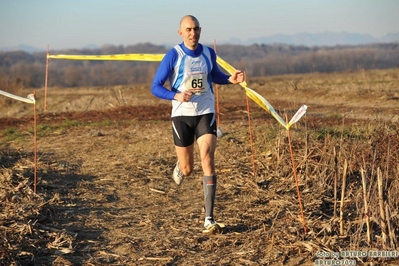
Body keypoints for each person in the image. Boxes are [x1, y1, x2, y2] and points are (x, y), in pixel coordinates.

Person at [151, 15, 245, 232]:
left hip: (205, 111)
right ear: (181, 33)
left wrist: (230, 79)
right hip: (182, 115)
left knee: (207, 159)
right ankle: (180, 167)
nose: (193, 34)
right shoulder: (174, 54)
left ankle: (209, 219)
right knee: (188, 168)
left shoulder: (208, 52)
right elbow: (155, 86)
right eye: (188, 30)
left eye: (196, 29)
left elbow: (214, 75)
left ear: (200, 30)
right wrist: (176, 96)